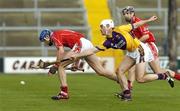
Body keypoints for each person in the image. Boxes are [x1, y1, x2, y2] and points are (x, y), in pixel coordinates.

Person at [97, 16, 174, 101]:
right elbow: (93, 50)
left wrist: (148, 20)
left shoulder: (120, 29)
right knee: (119, 71)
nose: (100, 29)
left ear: (108, 26)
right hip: (132, 51)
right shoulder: (107, 40)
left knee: (140, 79)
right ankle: (127, 94)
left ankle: (162, 76)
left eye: (102, 27)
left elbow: (136, 25)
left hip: (140, 49)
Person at [39, 29, 118, 100]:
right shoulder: (58, 34)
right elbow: (75, 47)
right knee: (100, 71)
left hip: (81, 44)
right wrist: (76, 64)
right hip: (86, 43)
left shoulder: (54, 36)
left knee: (61, 66)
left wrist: (55, 66)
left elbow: (61, 51)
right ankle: (122, 81)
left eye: (44, 41)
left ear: (47, 37)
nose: (45, 43)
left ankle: (64, 93)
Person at [121, 6, 180, 89]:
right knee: (132, 69)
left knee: (157, 72)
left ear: (132, 13)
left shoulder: (138, 22)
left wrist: (135, 44)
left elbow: (146, 36)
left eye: (127, 13)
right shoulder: (130, 25)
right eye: (124, 14)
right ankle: (127, 92)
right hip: (141, 47)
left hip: (149, 47)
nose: (125, 16)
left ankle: (127, 91)